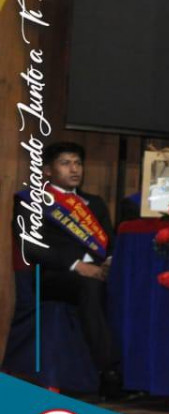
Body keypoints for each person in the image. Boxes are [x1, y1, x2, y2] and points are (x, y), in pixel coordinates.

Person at [12, 141, 121, 398]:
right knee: (89, 285)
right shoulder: (32, 202)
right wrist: (77, 265)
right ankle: (108, 368)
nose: (74, 169)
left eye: (78, 163)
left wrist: (108, 262)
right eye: (65, 163)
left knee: (125, 283)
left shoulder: (94, 203)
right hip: (53, 276)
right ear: (48, 170)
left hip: (97, 271)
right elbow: (31, 247)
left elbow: (111, 244)